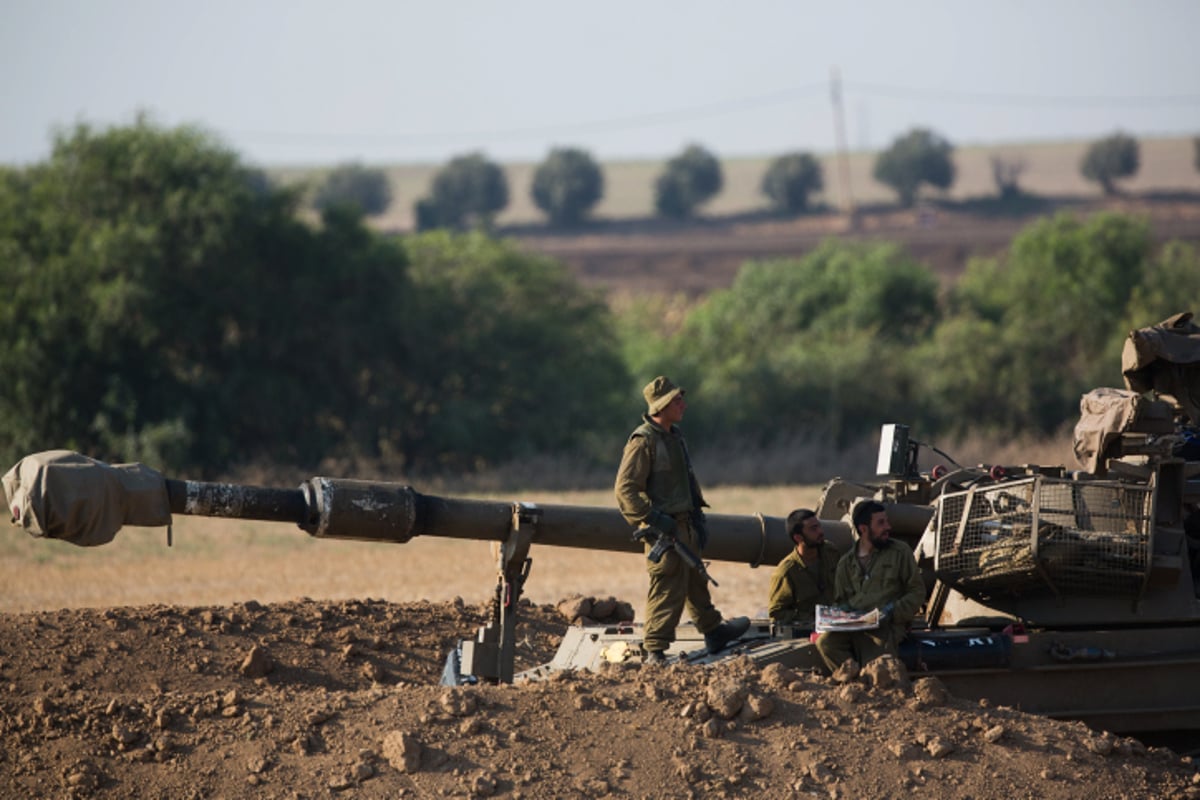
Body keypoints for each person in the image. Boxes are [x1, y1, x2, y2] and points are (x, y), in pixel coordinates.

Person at [615, 376, 749, 664]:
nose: (683, 405)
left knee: (695, 580)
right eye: (677, 401)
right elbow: (625, 489)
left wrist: (696, 516)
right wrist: (653, 519)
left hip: (685, 523)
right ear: (662, 406)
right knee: (668, 586)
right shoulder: (643, 441)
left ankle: (713, 631)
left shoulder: (674, 436)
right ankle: (655, 650)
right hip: (664, 529)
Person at [816, 499, 925, 672]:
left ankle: (871, 686)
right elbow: (840, 600)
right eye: (881, 523)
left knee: (876, 662)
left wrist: (892, 611)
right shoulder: (846, 563)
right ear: (863, 528)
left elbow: (917, 591)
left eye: (887, 521)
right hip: (855, 626)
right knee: (826, 643)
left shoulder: (900, 552)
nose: (888, 527)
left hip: (886, 626)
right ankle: (853, 681)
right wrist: (837, 618)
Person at [767, 508, 840, 627]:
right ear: (798, 538)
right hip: (808, 629)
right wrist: (812, 618)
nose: (820, 531)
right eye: (813, 529)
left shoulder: (830, 552)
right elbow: (777, 613)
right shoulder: (786, 572)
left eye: (819, 526)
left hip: (838, 621)